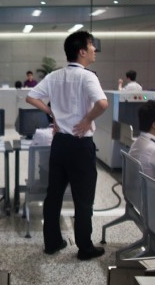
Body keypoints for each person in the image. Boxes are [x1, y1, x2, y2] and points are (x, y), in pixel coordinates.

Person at [26, 30, 108, 260]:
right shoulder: (88, 77)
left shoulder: (55, 75)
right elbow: (102, 103)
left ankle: (52, 242)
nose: (94, 50)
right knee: (83, 199)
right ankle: (85, 247)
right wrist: (87, 119)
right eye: (92, 46)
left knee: (54, 195)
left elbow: (31, 97)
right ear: (82, 51)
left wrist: (52, 113)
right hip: (81, 145)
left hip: (59, 143)